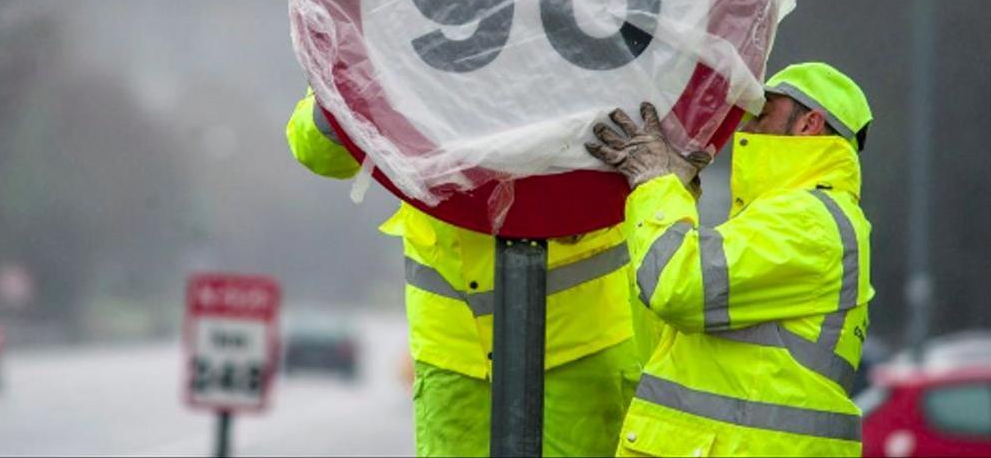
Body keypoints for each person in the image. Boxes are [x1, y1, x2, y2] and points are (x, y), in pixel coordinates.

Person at [287, 89, 642, 457]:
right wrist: (349, 84)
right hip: (455, 354)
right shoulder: (380, 34)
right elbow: (320, 153)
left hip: (585, 342)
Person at [587, 62, 874, 457]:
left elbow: (674, 286)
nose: (745, 128)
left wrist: (655, 183)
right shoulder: (783, 215)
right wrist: (677, 194)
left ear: (809, 123)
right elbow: (665, 335)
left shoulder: (810, 220)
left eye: (762, 114)